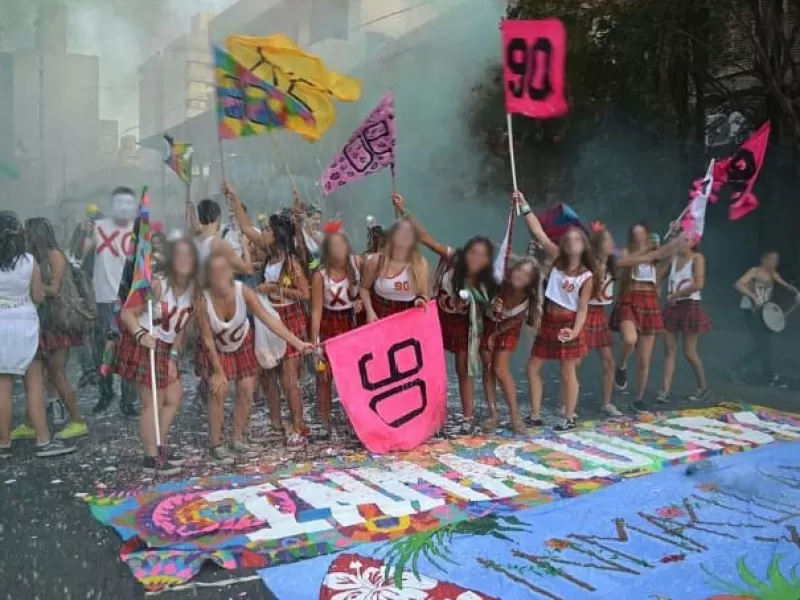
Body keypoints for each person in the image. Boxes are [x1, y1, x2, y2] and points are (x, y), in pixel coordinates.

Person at [393, 193, 497, 435]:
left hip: (464, 324)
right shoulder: (454, 259)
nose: (475, 258)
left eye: (482, 255)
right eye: (473, 252)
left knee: (463, 369)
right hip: (436, 316)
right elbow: (425, 237)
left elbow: (491, 306)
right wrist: (402, 209)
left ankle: (467, 417)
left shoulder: (487, 282)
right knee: (427, 365)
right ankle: (426, 415)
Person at [195, 253, 314, 463]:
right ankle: (215, 442)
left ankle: (237, 437)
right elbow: (206, 338)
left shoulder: (244, 292)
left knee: (247, 389)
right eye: (215, 271)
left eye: (224, 269)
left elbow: (269, 320)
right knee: (218, 390)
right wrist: (217, 370)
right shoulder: (202, 300)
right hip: (216, 347)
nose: (221, 274)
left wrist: (297, 343)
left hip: (242, 341)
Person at [115, 238, 197, 475]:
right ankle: (151, 456)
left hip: (166, 348)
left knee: (174, 396)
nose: (184, 261)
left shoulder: (194, 290)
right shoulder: (158, 285)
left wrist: (172, 357)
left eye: (188, 256)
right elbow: (127, 313)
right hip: (146, 344)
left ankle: (159, 443)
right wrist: (140, 334)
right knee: (153, 401)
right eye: (179, 255)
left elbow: (181, 329)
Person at [516, 191, 598, 431]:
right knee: (532, 367)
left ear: (583, 245)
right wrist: (524, 204)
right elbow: (538, 233)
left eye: (576, 239)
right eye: (568, 239)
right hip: (549, 320)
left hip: (568, 322)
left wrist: (574, 332)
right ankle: (535, 414)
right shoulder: (555, 258)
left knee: (567, 370)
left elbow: (582, 309)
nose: (571, 242)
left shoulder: (587, 275)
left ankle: (569, 416)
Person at [0, 211, 75, 459]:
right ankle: (43, 441)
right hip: (25, 325)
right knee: (34, 385)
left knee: (4, 387)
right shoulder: (28, 261)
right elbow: (39, 296)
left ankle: (3, 443)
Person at [23, 218, 89, 440]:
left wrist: (31, 287)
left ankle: (78, 420)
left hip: (59, 323)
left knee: (56, 372)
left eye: (28, 232)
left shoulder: (55, 255)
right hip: (44, 322)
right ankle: (29, 422)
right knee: (36, 374)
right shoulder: (35, 258)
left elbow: (56, 288)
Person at [610, 223, 685, 410]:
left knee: (645, 358)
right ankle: (622, 365)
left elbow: (670, 250)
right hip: (629, 299)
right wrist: (645, 252)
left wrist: (678, 231)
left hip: (649, 301)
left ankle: (639, 398)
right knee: (629, 339)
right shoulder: (625, 252)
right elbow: (619, 262)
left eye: (643, 234)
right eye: (636, 235)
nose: (640, 238)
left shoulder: (654, 257)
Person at [81, 187, 138, 416]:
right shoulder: (98, 227)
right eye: (119, 202)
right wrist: (83, 233)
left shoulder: (139, 229)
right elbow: (79, 254)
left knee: (130, 350)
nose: (124, 207)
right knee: (103, 349)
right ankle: (106, 393)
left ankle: (128, 400)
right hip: (103, 297)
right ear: (112, 204)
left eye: (128, 203)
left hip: (131, 299)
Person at [481, 257, 543, 434]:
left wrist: (495, 334)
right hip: (487, 322)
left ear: (531, 281)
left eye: (527, 275)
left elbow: (517, 319)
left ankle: (514, 416)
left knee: (500, 369)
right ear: (512, 270)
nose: (521, 276)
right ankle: (493, 415)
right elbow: (479, 299)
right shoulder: (498, 280)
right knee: (488, 366)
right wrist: (491, 304)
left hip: (509, 328)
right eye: (519, 270)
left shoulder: (528, 296)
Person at [310, 228, 362, 439]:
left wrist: (360, 302)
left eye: (342, 244)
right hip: (329, 325)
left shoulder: (356, 266)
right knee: (324, 377)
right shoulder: (320, 276)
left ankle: (355, 420)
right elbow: (316, 311)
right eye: (334, 246)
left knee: (353, 377)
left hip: (350, 326)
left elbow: (367, 287)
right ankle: (324, 422)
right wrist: (315, 343)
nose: (339, 250)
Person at [728, 250, 800, 387]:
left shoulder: (773, 274)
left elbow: (785, 285)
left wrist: (796, 293)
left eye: (776, 260)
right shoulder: (754, 272)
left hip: (763, 313)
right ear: (763, 260)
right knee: (765, 345)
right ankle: (769, 376)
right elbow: (738, 284)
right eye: (772, 259)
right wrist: (753, 296)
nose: (775, 263)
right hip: (751, 311)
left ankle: (736, 367)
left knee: (762, 346)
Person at [658, 242, 712, 402]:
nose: (679, 242)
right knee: (669, 350)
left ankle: (703, 386)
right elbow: (658, 274)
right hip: (673, 307)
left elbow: (698, 284)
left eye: (683, 239)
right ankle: (665, 391)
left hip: (689, 305)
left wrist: (676, 295)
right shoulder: (672, 259)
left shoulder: (697, 258)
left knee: (689, 352)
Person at [360, 202, 429, 322]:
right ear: (392, 236)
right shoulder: (377, 261)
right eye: (401, 232)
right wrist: (370, 311)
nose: (405, 236)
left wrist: (421, 299)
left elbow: (425, 294)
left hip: (408, 317)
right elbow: (364, 288)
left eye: (409, 233)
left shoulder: (419, 263)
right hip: (380, 315)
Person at [191, 197, 252, 274]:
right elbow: (248, 269)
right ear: (218, 219)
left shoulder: (193, 243)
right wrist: (245, 245)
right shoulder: (219, 245)